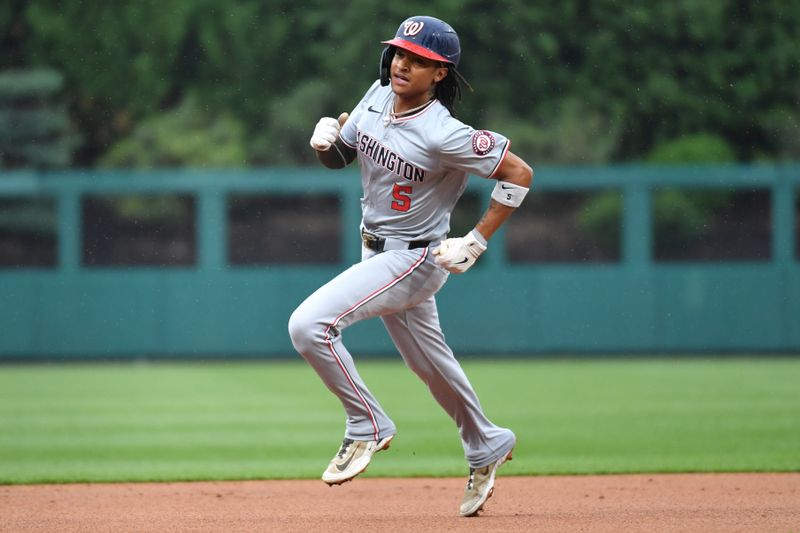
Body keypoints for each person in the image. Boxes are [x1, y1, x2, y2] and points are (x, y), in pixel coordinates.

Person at [288, 15, 533, 517]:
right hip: (375, 248)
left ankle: (367, 425)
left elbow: (519, 173)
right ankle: (485, 442)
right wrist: (325, 141)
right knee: (429, 363)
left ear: (440, 74)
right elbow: (342, 156)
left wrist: (477, 240)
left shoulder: (446, 133)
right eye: (400, 52)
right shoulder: (376, 95)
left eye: (419, 60)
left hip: (417, 255)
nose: (403, 63)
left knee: (309, 325)